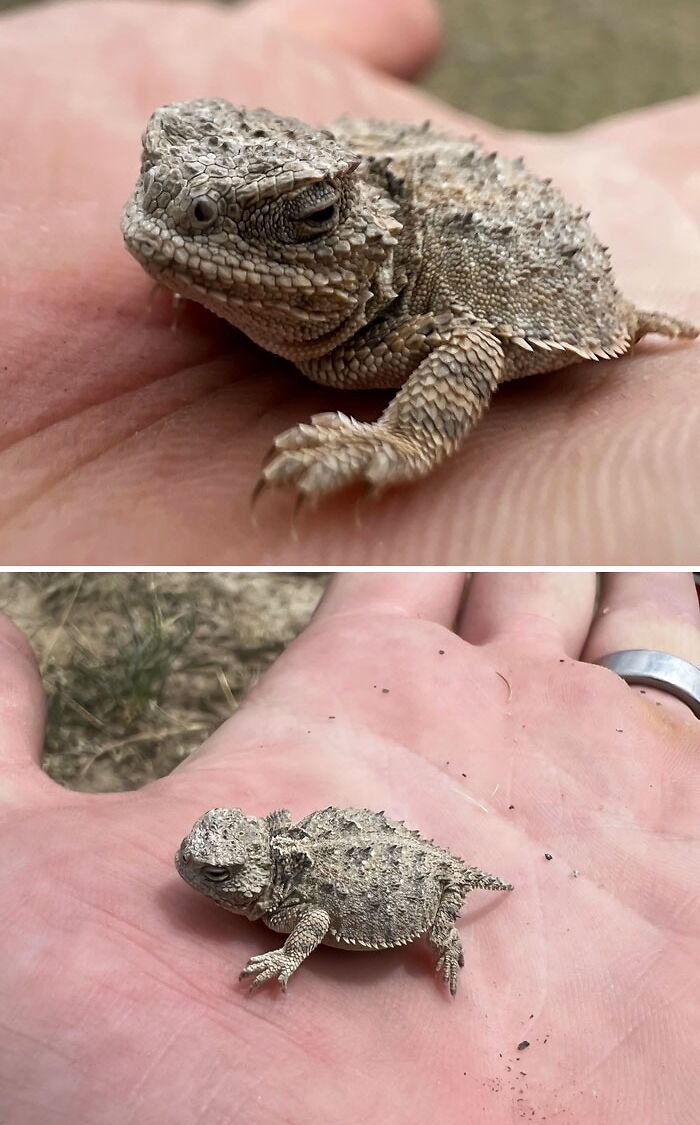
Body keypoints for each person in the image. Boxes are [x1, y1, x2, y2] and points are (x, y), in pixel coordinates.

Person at [0, 0, 697, 565]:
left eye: (308, 216)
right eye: (158, 169)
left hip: (521, 251)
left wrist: (403, 439)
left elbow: (473, 347)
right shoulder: (214, 203)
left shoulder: (387, 325)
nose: (186, 211)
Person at [1, 571, 698, 1123]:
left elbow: (316, 920)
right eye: (203, 859)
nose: (191, 870)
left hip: (398, 885)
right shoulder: (269, 859)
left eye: (213, 870)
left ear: (247, 871)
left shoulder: (287, 903)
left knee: (437, 917)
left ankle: (450, 932)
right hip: (345, 847)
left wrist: (286, 957)